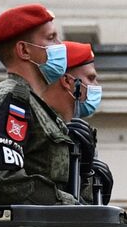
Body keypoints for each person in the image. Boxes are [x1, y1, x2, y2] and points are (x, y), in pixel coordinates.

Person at [0, 3, 84, 206]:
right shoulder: (12, 98)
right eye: (50, 38)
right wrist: (69, 206)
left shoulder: (37, 106)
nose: (60, 45)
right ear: (24, 50)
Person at [38, 40, 114, 205]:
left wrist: (92, 182)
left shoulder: (80, 133)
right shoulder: (40, 124)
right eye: (91, 78)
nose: (96, 86)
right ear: (68, 81)